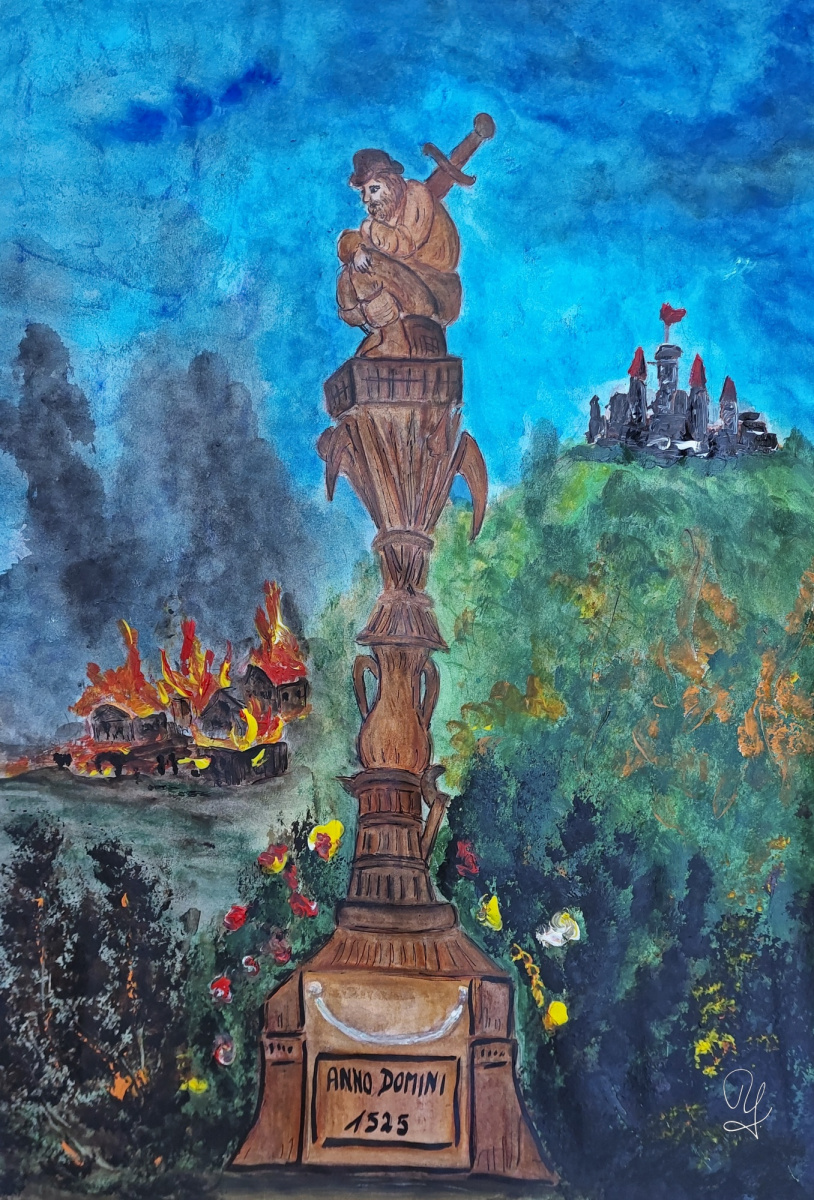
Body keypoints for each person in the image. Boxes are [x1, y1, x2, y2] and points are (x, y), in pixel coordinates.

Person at [337, 149, 462, 358]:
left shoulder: (416, 195)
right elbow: (349, 240)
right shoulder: (385, 213)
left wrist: (370, 229)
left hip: (435, 292)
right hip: (409, 288)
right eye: (363, 192)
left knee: (367, 267)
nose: (366, 199)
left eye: (373, 189)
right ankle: (386, 333)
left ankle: (395, 341)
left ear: (391, 182)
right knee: (349, 271)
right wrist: (357, 248)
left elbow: (405, 243)